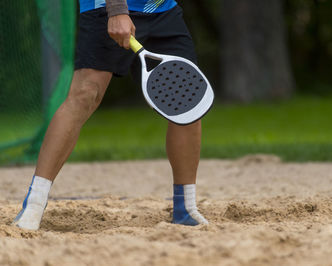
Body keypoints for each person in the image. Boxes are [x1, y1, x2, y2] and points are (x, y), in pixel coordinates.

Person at [13, 0, 208, 230]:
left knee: (186, 101)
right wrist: (117, 10)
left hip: (161, 8)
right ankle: (34, 204)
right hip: (107, 7)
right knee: (85, 94)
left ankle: (185, 208)